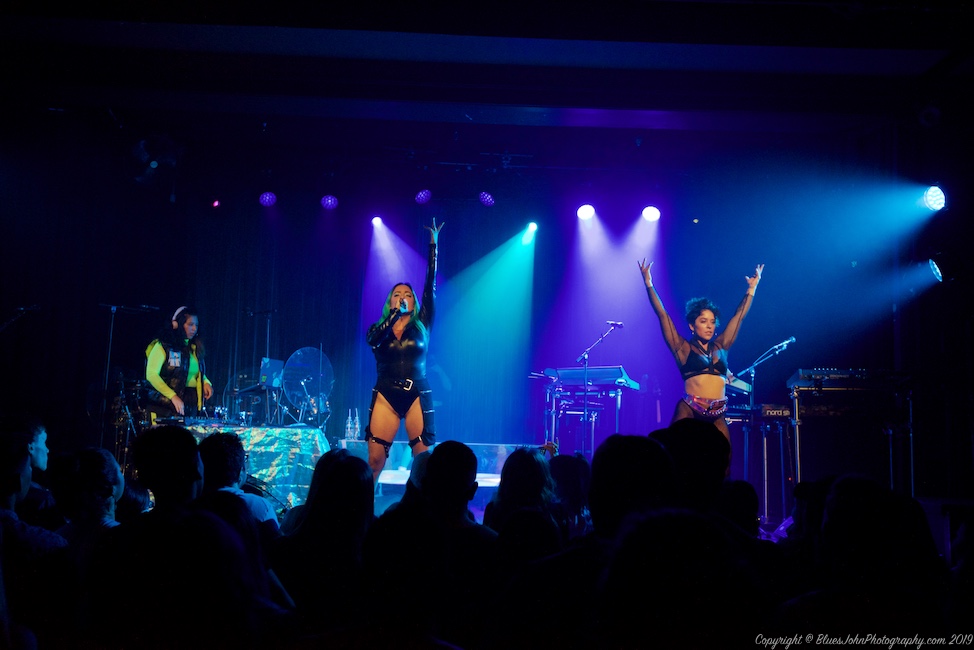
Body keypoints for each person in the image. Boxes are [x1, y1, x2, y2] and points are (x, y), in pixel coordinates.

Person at [638, 259, 764, 442]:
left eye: (712, 322)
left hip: (718, 412)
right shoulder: (682, 348)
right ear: (692, 325)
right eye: (703, 321)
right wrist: (648, 283)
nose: (709, 326)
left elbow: (739, 317)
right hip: (690, 409)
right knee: (674, 451)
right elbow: (663, 315)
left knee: (725, 458)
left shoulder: (721, 347)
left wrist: (752, 288)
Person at [364, 218, 444, 481]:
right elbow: (373, 341)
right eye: (397, 294)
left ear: (414, 301)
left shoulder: (422, 324)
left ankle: (420, 505)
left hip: (416, 392)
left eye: (408, 294)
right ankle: (365, 505)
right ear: (390, 301)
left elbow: (430, 285)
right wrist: (392, 318)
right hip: (386, 393)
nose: (403, 297)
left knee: (423, 463)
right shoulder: (379, 328)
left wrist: (433, 246)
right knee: (375, 461)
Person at [145, 305, 214, 423]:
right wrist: (172, 396)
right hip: (165, 405)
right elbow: (151, 374)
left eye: (196, 325)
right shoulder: (163, 346)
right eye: (190, 324)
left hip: (190, 404)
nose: (194, 329)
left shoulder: (194, 348)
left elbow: (195, 372)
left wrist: (206, 382)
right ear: (177, 324)